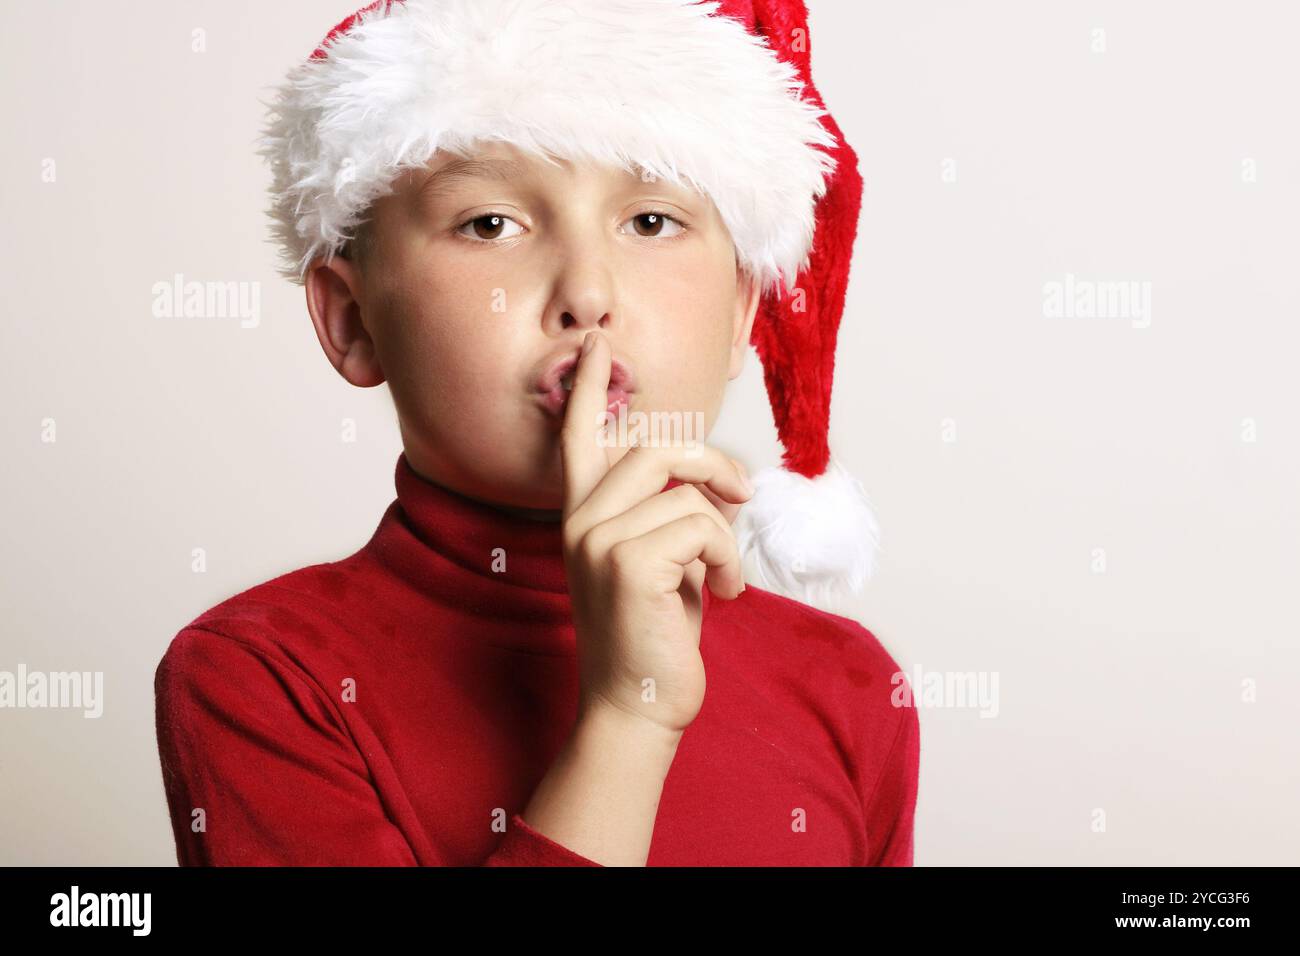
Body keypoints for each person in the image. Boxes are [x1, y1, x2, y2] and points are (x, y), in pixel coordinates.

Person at [154, 0, 919, 866]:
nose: (588, 292)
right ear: (353, 320)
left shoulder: (846, 683)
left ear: (746, 311)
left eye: (652, 222)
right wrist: (627, 716)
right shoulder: (262, 678)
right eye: (490, 224)